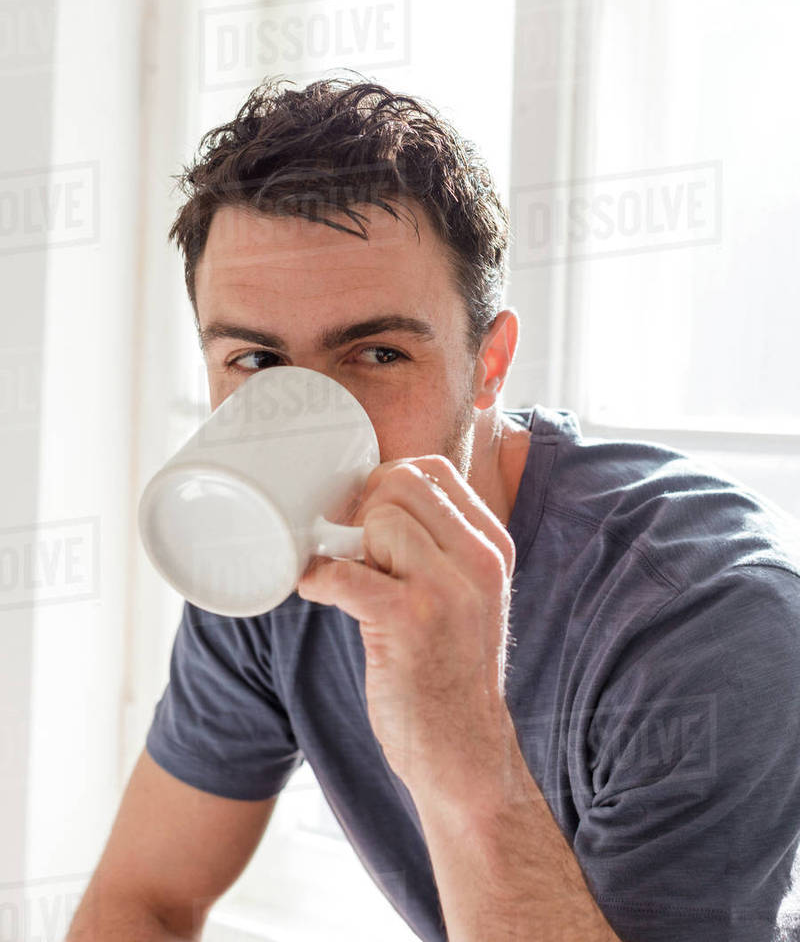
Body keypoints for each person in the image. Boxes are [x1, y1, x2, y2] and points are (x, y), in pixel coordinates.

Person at [68, 78, 800, 942]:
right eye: (256, 361)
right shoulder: (270, 549)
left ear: (490, 364)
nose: (309, 414)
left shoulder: (706, 615)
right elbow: (143, 900)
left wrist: (461, 753)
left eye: (378, 351)